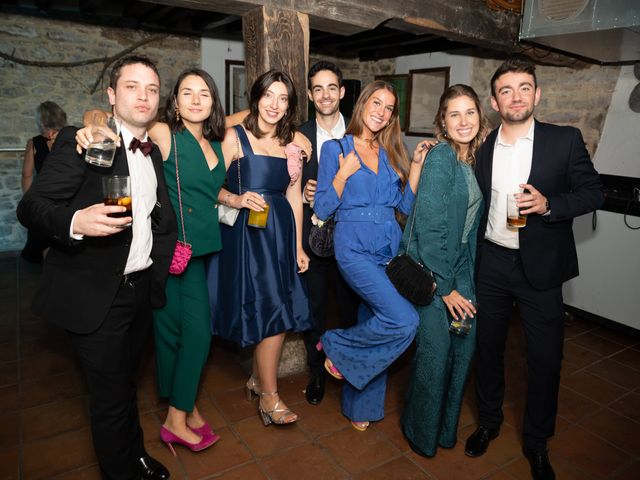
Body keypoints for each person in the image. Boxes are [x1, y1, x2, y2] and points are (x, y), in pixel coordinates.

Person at [17, 55, 175, 480]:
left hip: (139, 290)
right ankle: (120, 471)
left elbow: (151, 214)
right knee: (108, 396)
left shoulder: (152, 152)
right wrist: (74, 222)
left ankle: (136, 455)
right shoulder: (85, 140)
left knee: (126, 384)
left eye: (152, 89)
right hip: (96, 294)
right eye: (131, 86)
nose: (143, 96)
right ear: (111, 95)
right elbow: (31, 206)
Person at [465, 56, 604, 480]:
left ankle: (537, 442)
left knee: (545, 360)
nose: (515, 96)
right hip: (491, 263)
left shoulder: (563, 140)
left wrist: (550, 205)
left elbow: (593, 192)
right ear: (494, 100)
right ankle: (489, 421)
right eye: (506, 90)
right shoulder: (485, 147)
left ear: (537, 94)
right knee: (486, 350)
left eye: (524, 87)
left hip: (539, 269)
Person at [75, 68, 227, 454]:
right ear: (173, 101)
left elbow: (211, 185)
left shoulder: (215, 140)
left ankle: (187, 404)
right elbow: (119, 122)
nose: (196, 100)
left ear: (213, 103)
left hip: (202, 251)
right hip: (171, 252)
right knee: (192, 335)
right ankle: (176, 419)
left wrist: (236, 199)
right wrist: (93, 121)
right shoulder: (163, 133)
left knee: (176, 333)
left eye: (204, 94)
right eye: (187, 92)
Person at [314, 80, 427, 431]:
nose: (381, 112)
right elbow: (321, 206)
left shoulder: (392, 152)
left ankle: (360, 408)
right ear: (363, 104)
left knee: (373, 322)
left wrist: (417, 167)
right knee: (404, 320)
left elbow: (404, 206)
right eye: (376, 103)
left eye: (388, 107)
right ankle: (334, 344)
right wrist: (343, 176)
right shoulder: (337, 149)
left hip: (388, 247)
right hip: (354, 247)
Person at [207, 69, 312, 426]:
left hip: (280, 235)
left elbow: (294, 198)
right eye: (269, 96)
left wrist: (298, 246)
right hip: (248, 238)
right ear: (256, 97)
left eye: (283, 99)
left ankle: (256, 380)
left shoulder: (291, 144)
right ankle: (269, 397)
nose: (275, 105)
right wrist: (235, 199)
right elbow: (208, 187)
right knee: (270, 313)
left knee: (275, 309)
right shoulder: (234, 137)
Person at [400, 84, 488, 457]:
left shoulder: (472, 160)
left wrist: (464, 281)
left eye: (470, 112)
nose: (463, 120)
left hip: (461, 269)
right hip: (434, 274)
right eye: (454, 113)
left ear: (481, 117)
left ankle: (445, 430)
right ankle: (421, 434)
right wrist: (446, 288)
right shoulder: (440, 158)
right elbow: (430, 229)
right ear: (442, 121)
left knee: (462, 351)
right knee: (435, 358)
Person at [298, 61, 359, 405]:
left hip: (353, 239)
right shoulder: (298, 135)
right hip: (314, 238)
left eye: (331, 88)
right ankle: (317, 373)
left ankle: (350, 370)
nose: (325, 95)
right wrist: (304, 193)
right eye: (318, 88)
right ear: (310, 94)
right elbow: (287, 186)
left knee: (351, 310)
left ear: (342, 92)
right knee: (315, 309)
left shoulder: (360, 130)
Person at [20, 101, 67, 263]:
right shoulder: (71, 139)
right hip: (67, 197)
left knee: (44, 239)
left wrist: (29, 201)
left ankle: (50, 277)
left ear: (41, 121)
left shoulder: (33, 143)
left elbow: (27, 175)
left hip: (44, 197)